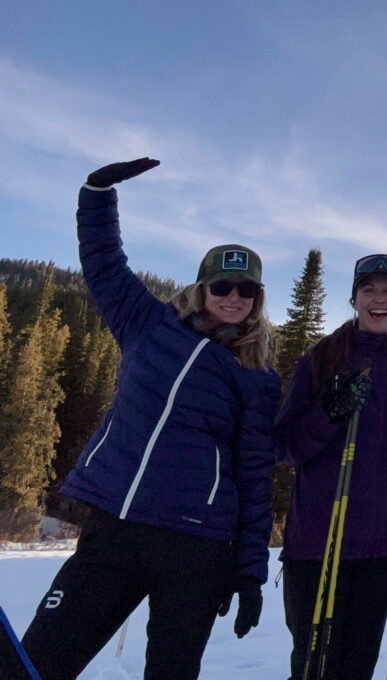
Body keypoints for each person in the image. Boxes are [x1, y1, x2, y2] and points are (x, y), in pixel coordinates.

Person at [21, 158, 281, 680]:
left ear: (257, 299)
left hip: (196, 547)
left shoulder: (256, 376)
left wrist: (251, 571)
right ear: (203, 287)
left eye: (245, 290)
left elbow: (254, 478)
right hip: (114, 530)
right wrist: (97, 194)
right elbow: (103, 262)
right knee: (36, 661)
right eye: (223, 286)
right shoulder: (146, 323)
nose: (232, 298)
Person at [274, 253, 387, 679]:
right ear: (354, 298)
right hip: (321, 545)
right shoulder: (321, 359)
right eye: (369, 290)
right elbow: (283, 446)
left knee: (357, 669)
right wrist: (330, 412)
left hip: (380, 552)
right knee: (313, 669)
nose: (380, 299)